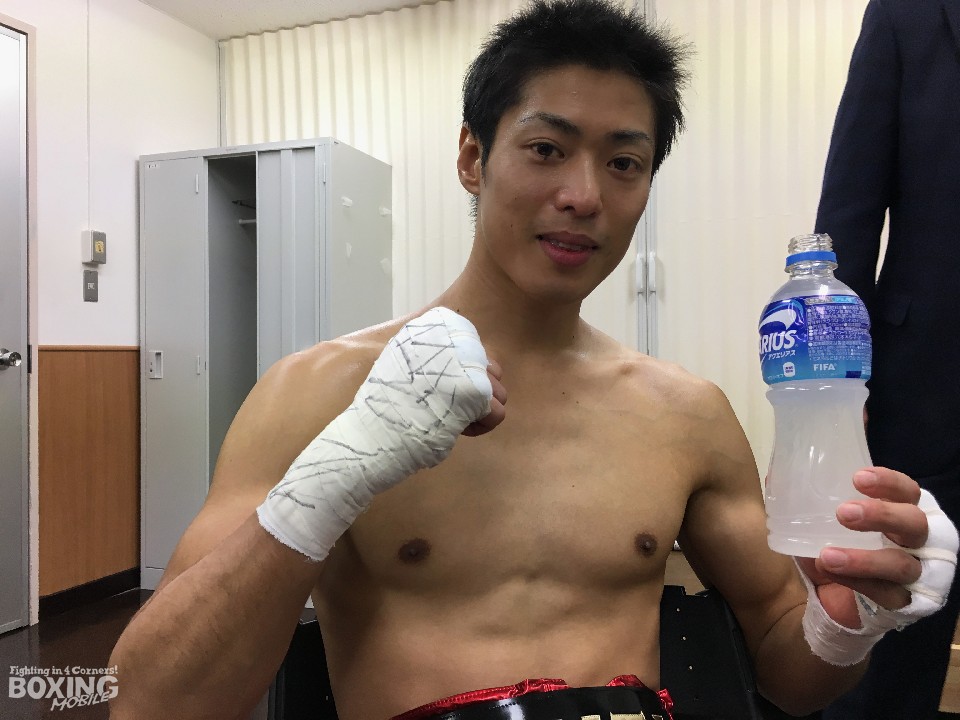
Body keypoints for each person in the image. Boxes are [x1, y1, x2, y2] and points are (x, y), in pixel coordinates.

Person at [109, 2, 957, 719]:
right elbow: (150, 702)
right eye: (547, 149)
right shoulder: (319, 391)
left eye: (623, 163)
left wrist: (848, 619)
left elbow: (790, 670)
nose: (584, 195)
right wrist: (331, 479)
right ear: (472, 157)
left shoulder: (687, 415)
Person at [813, 0, 960, 717]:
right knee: (894, 627)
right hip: (924, 385)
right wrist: (837, 381)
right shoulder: (908, 15)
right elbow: (850, 204)